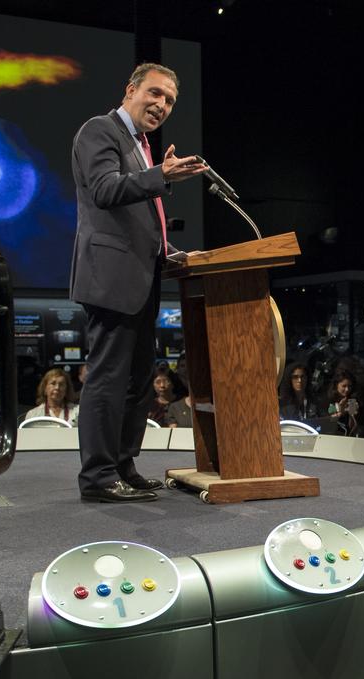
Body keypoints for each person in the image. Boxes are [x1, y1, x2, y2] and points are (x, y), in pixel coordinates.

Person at [70, 62, 206, 503]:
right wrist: (161, 177)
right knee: (108, 379)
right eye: (155, 94)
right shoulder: (100, 130)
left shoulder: (140, 145)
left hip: (142, 279)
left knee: (138, 381)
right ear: (130, 89)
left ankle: (123, 466)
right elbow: (105, 190)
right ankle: (97, 477)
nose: (161, 105)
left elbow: (138, 218)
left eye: (169, 100)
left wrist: (169, 252)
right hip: (110, 278)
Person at [325, 369, 362, 436]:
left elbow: (353, 426)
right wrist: (340, 412)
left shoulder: (352, 401)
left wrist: (351, 413)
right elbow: (330, 422)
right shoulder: (330, 401)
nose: (347, 389)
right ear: (336, 385)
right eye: (344, 386)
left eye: (349, 386)